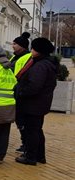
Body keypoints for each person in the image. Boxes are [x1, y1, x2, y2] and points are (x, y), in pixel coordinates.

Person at [14, 37, 58, 166]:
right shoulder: (45, 63)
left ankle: (31, 156)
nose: (31, 50)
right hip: (38, 103)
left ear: (39, 50)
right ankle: (39, 156)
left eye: (33, 48)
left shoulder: (41, 65)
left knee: (31, 131)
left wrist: (21, 92)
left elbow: (34, 86)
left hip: (32, 104)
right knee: (37, 130)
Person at [9, 32, 32, 152]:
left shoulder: (27, 57)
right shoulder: (15, 56)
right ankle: (25, 143)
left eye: (15, 44)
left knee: (23, 119)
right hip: (15, 91)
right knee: (19, 119)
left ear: (22, 46)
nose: (12, 46)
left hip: (20, 92)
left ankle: (27, 144)